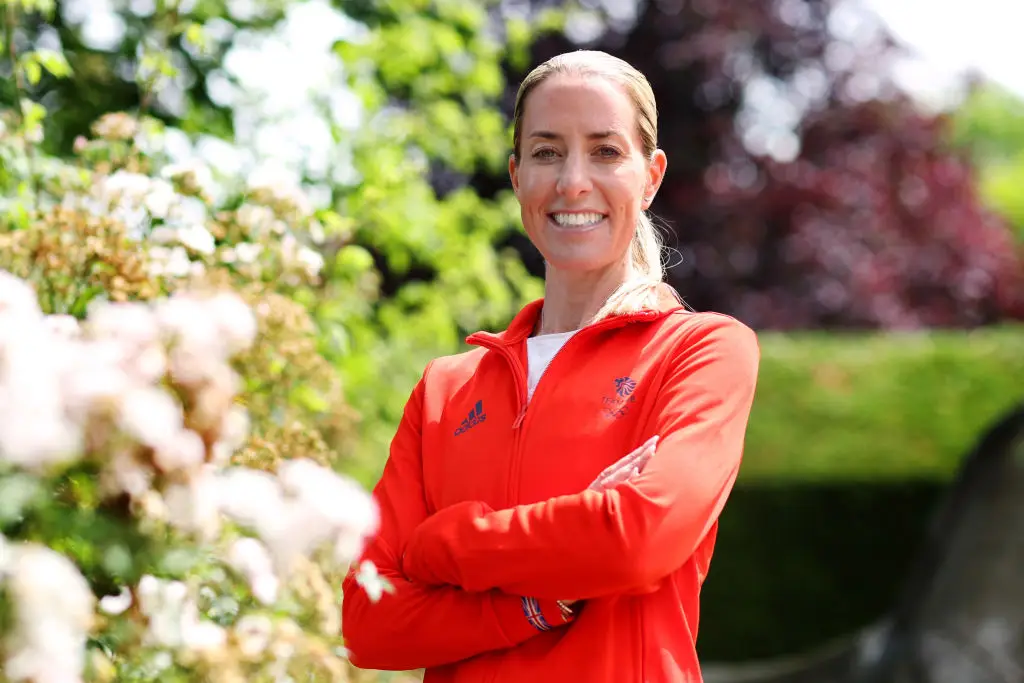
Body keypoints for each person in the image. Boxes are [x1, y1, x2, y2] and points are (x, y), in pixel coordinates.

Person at [341, 49, 760, 683]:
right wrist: (536, 604)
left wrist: (442, 545)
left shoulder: (700, 353)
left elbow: (637, 539)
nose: (571, 182)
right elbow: (368, 619)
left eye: (605, 152)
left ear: (651, 176)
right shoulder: (444, 390)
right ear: (516, 176)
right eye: (545, 152)